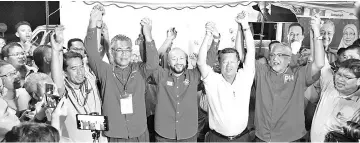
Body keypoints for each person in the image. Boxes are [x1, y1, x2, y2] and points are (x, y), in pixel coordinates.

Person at [84, 6, 158, 142]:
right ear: (112, 52)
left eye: (127, 49)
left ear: (131, 51)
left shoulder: (139, 70)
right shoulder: (105, 70)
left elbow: (153, 63)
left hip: (139, 132)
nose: (124, 54)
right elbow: (92, 53)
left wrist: (148, 34)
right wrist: (93, 22)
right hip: (115, 133)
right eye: (119, 50)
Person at [253, 13, 325, 142]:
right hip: (263, 136)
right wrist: (244, 28)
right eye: (273, 55)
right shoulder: (263, 72)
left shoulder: (298, 73)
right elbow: (243, 58)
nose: (276, 58)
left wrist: (316, 32)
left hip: (291, 135)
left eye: (280, 55)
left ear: (289, 58)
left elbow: (318, 63)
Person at [197, 11, 255, 142]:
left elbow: (251, 51)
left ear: (238, 62)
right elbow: (201, 62)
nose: (229, 66)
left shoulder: (245, 77)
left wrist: (245, 26)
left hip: (242, 138)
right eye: (225, 62)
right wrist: (208, 36)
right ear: (219, 63)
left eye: (232, 62)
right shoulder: (213, 80)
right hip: (217, 138)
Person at [50, 26, 106, 142]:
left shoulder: (90, 78)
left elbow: (95, 54)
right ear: (65, 72)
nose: (80, 72)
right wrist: (56, 51)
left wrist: (97, 25)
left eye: (81, 67)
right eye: (74, 68)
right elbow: (57, 80)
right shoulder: (63, 89)